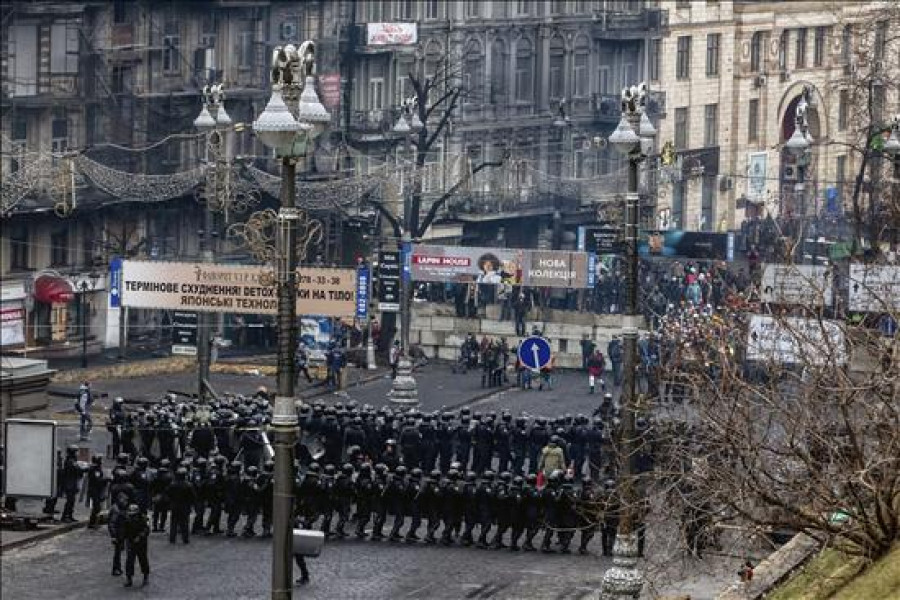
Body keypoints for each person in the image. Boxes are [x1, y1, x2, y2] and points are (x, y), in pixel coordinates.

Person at [122, 504, 150, 587]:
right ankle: (129, 578)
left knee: (143, 559)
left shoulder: (143, 518)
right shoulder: (127, 519)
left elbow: (146, 529)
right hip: (131, 542)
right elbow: (124, 531)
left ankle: (145, 576)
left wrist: (140, 536)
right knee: (130, 561)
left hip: (141, 542)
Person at [86, 454, 108, 528]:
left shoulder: (96, 468)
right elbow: (97, 480)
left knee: (96, 507)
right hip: (94, 490)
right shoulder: (95, 469)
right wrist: (106, 479)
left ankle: (93, 522)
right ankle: (92, 523)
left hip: (95, 489)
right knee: (96, 507)